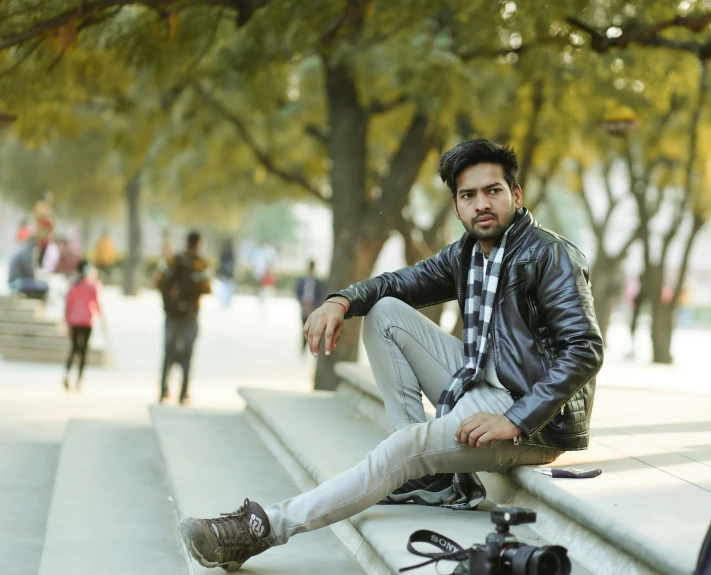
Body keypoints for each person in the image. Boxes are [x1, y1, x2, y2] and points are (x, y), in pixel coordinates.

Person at [178, 139, 604, 572]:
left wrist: (515, 419)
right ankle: (430, 478)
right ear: (457, 205)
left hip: (533, 419)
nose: (481, 204)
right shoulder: (467, 253)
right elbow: (397, 284)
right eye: (468, 195)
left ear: (516, 195)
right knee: (384, 312)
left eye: (492, 191)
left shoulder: (549, 254)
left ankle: (264, 526)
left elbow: (584, 349)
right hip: (481, 378)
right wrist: (340, 301)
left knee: (400, 448)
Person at [156, 230, 211, 405]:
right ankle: (183, 392)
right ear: (199, 243)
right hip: (190, 313)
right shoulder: (200, 263)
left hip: (171, 314)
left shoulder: (173, 260)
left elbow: (158, 281)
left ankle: (163, 389)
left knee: (168, 351)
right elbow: (207, 288)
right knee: (188, 352)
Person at [63, 260, 104, 391]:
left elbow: (68, 305)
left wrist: (67, 321)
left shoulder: (73, 285)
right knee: (83, 351)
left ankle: (67, 374)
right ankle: (79, 379)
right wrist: (103, 320)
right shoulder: (92, 286)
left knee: (74, 349)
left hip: (74, 321)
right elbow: (97, 304)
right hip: (87, 321)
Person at [295, 260, 325, 352]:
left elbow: (321, 295)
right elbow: (298, 293)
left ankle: (312, 347)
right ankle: (303, 348)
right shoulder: (301, 280)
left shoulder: (319, 283)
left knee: (314, 329)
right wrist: (302, 302)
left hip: (314, 308)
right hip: (304, 308)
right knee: (304, 328)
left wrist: (315, 304)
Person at [7, 236, 49, 300]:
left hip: (16, 280)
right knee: (44, 286)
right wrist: (36, 281)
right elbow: (28, 271)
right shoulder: (25, 252)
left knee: (39, 284)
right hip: (16, 282)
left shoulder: (23, 249)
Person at [216, 238, 237, 308]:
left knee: (225, 289)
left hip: (225, 274)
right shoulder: (231, 254)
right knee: (227, 289)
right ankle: (226, 302)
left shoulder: (224, 253)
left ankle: (225, 302)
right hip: (228, 274)